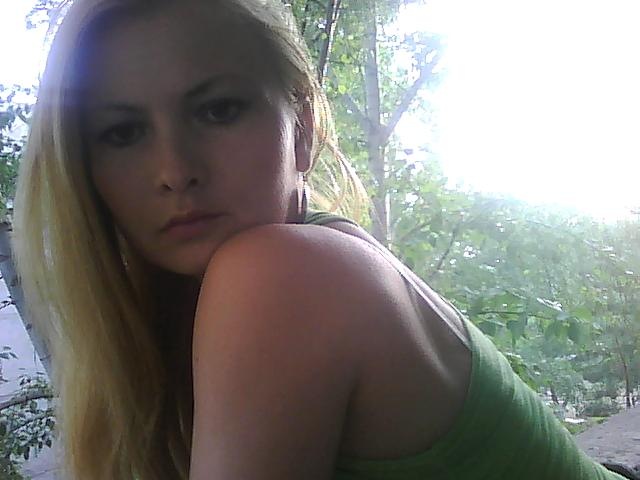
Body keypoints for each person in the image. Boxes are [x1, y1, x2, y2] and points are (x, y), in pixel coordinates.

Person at [12, 0, 626, 479]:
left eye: (218, 110)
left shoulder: (281, 271)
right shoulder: (267, 278)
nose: (174, 170)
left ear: (301, 128)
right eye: (122, 134)